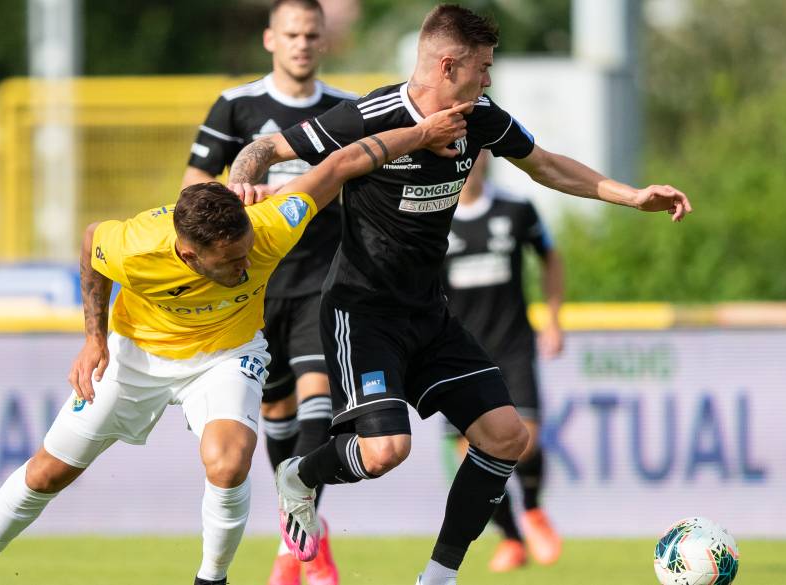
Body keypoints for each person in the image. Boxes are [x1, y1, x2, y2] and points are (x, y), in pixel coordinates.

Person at [226, 5, 691, 584]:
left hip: (430, 314)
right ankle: (298, 474)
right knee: (385, 452)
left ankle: (438, 578)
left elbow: (546, 166)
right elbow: (266, 149)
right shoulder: (371, 115)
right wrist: (241, 180)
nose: (489, 79)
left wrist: (632, 196)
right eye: (484, 66)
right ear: (448, 65)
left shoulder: (481, 118)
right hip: (362, 313)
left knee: (506, 438)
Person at [0, 102, 469, 585]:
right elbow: (92, 244)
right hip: (136, 356)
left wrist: (421, 134)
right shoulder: (138, 247)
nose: (246, 266)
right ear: (188, 255)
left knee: (228, 463)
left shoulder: (271, 224)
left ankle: (212, 580)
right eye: (230, 261)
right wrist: (93, 340)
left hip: (227, 356)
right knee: (48, 471)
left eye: (246, 251)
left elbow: (342, 164)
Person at [181, 2, 355, 583]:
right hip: (253, 286)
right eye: (291, 33)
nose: (301, 43)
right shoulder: (236, 105)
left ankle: (294, 538)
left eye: (311, 34)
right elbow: (193, 188)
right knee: (276, 413)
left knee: (319, 401)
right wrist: (233, 202)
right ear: (270, 39)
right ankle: (304, 531)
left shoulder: (345, 110)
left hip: (323, 280)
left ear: (323, 41)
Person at [442, 151, 564, 572]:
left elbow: (551, 256)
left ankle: (532, 508)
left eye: (478, 152)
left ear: (487, 158)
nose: (471, 160)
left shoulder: (516, 210)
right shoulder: (436, 217)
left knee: (524, 439)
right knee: (472, 454)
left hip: (513, 345)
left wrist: (554, 320)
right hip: (459, 354)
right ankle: (512, 538)